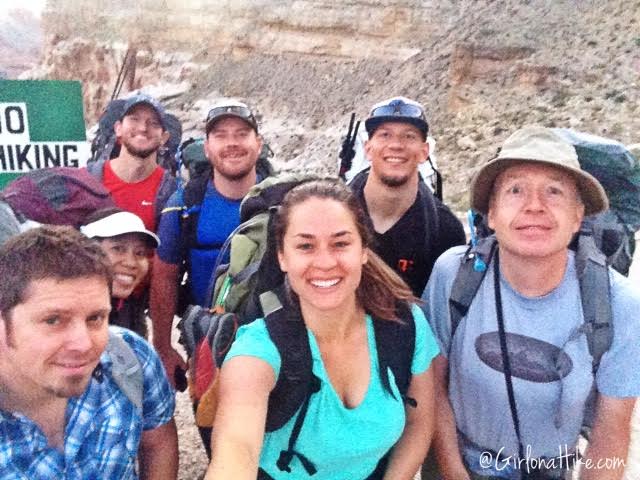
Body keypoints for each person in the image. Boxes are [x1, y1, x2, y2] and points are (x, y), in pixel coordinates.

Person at [422, 126, 640, 480]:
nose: (534, 205)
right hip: (457, 463)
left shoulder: (616, 303)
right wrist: (451, 471)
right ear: (491, 214)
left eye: (554, 191)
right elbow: (434, 386)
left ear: (578, 217)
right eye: (515, 189)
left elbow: (611, 431)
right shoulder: (454, 276)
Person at [205, 179, 438, 479]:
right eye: (306, 246)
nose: (325, 262)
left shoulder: (405, 326)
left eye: (340, 243)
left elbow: (419, 422)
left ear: (364, 250)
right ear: (282, 257)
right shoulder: (258, 350)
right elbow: (236, 451)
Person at [0, 226, 177, 479]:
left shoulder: (130, 358)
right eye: (53, 320)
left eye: (95, 318)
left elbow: (157, 443)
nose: (84, 344)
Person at [150, 99, 271, 382]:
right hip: (208, 342)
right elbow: (164, 278)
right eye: (220, 136)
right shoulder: (183, 207)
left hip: (276, 340)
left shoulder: (286, 200)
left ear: (259, 143)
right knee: (213, 423)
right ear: (207, 147)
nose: (232, 143)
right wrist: (163, 347)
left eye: (242, 134)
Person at [349, 96, 466, 297]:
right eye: (385, 135)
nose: (396, 145)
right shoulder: (334, 215)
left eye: (409, 136)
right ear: (368, 149)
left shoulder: (445, 231)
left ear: (424, 152)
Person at [86, 93, 177, 232]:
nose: (143, 128)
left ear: (164, 137)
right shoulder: (88, 180)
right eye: (134, 119)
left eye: (153, 123)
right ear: (118, 128)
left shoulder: (172, 192)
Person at [81, 208, 160, 337]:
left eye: (140, 253)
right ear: (87, 252)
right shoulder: (64, 309)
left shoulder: (128, 309)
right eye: (118, 249)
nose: (131, 263)